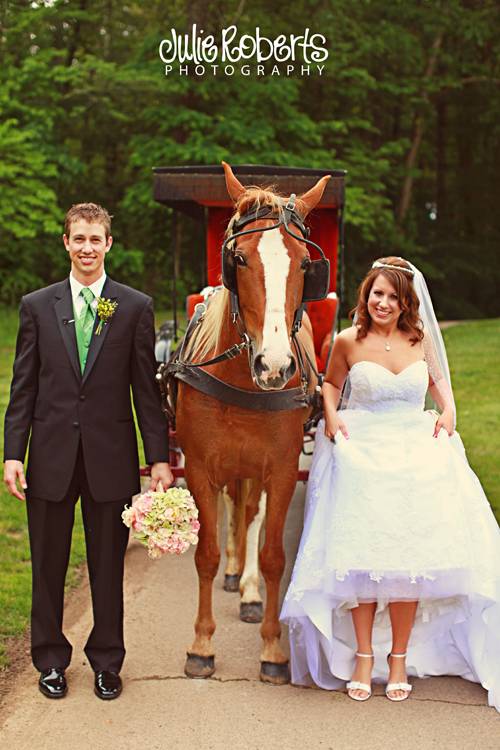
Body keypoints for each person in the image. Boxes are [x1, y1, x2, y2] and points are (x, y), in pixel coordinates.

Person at [281, 256, 500, 709]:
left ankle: (397, 658)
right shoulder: (347, 341)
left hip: (414, 456)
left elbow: (438, 380)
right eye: (377, 293)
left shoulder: (419, 340)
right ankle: (364, 656)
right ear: (367, 296)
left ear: (406, 304)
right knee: (363, 557)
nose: (383, 303)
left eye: (393, 297)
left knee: (407, 561)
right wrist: (333, 413)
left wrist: (450, 407)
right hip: (363, 454)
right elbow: (329, 384)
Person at [3, 203, 173, 700]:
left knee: (106, 568)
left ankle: (106, 662)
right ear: (65, 242)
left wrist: (159, 457)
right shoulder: (38, 306)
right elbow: (24, 387)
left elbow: (146, 391)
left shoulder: (132, 307)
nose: (87, 248)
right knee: (47, 565)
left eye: (95, 239)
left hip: (109, 459)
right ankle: (50, 660)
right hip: (51, 458)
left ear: (108, 245)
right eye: (78, 239)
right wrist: (15, 453)